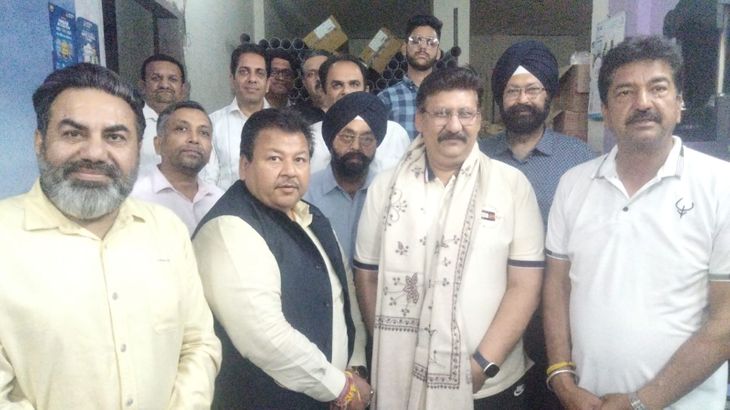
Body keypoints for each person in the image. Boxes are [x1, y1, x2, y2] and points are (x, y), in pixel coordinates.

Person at [0, 63, 221, 409]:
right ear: (40, 142)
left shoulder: (166, 230)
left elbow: (198, 343)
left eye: (115, 137)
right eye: (73, 134)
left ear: (137, 149)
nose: (94, 153)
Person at [543, 36, 730, 410]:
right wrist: (561, 377)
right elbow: (557, 287)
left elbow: (724, 319)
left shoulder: (721, 185)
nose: (643, 102)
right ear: (606, 111)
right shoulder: (573, 184)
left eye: (658, 88)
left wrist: (642, 402)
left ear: (679, 103)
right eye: (625, 92)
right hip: (587, 400)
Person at [354, 66, 545, 409]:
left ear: (479, 120)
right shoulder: (385, 189)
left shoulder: (511, 185)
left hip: (490, 383)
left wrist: (482, 365)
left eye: (465, 114)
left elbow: (525, 285)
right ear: (420, 119)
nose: (454, 126)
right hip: (403, 379)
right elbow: (367, 277)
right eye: (442, 113)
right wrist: (394, 351)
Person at [193, 107, 371, 409]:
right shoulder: (229, 228)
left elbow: (346, 296)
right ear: (244, 165)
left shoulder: (312, 216)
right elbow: (265, 337)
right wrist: (341, 388)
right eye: (275, 159)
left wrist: (355, 365)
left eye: (299, 159)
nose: (289, 171)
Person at [479, 40, 594, 409]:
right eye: (512, 91)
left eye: (532, 89)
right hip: (490, 310)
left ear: (549, 95)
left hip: (556, 311)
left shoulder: (578, 159)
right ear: (500, 98)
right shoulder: (478, 156)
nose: (522, 99)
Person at [304, 91, 388, 263]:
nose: (356, 146)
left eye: (367, 139)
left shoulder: (388, 193)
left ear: (376, 143)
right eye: (347, 137)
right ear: (331, 139)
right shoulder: (305, 193)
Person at [131, 100, 223, 234]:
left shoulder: (219, 200)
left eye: (204, 133)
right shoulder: (134, 196)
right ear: (158, 144)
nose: (194, 139)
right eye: (182, 129)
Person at [310, 54, 410, 175]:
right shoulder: (310, 137)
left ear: (366, 90)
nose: (346, 91)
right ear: (323, 92)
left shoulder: (395, 134)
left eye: (354, 84)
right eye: (337, 85)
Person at [205, 43, 270, 190]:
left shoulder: (283, 125)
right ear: (232, 80)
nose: (252, 79)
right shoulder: (212, 124)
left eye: (259, 73)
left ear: (268, 83)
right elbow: (208, 182)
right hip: (227, 204)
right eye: (244, 72)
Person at [378, 14, 442, 140]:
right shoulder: (386, 98)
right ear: (404, 48)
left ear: (438, 53)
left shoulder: (448, 96)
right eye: (416, 40)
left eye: (431, 42)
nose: (423, 47)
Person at [138, 54, 189, 177]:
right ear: (142, 86)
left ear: (183, 89)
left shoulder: (194, 125)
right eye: (156, 78)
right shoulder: (132, 123)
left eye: (173, 79)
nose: (164, 85)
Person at [293, 49, 332, 124]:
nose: (318, 78)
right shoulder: (293, 117)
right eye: (311, 74)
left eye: (323, 71)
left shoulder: (351, 110)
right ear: (304, 83)